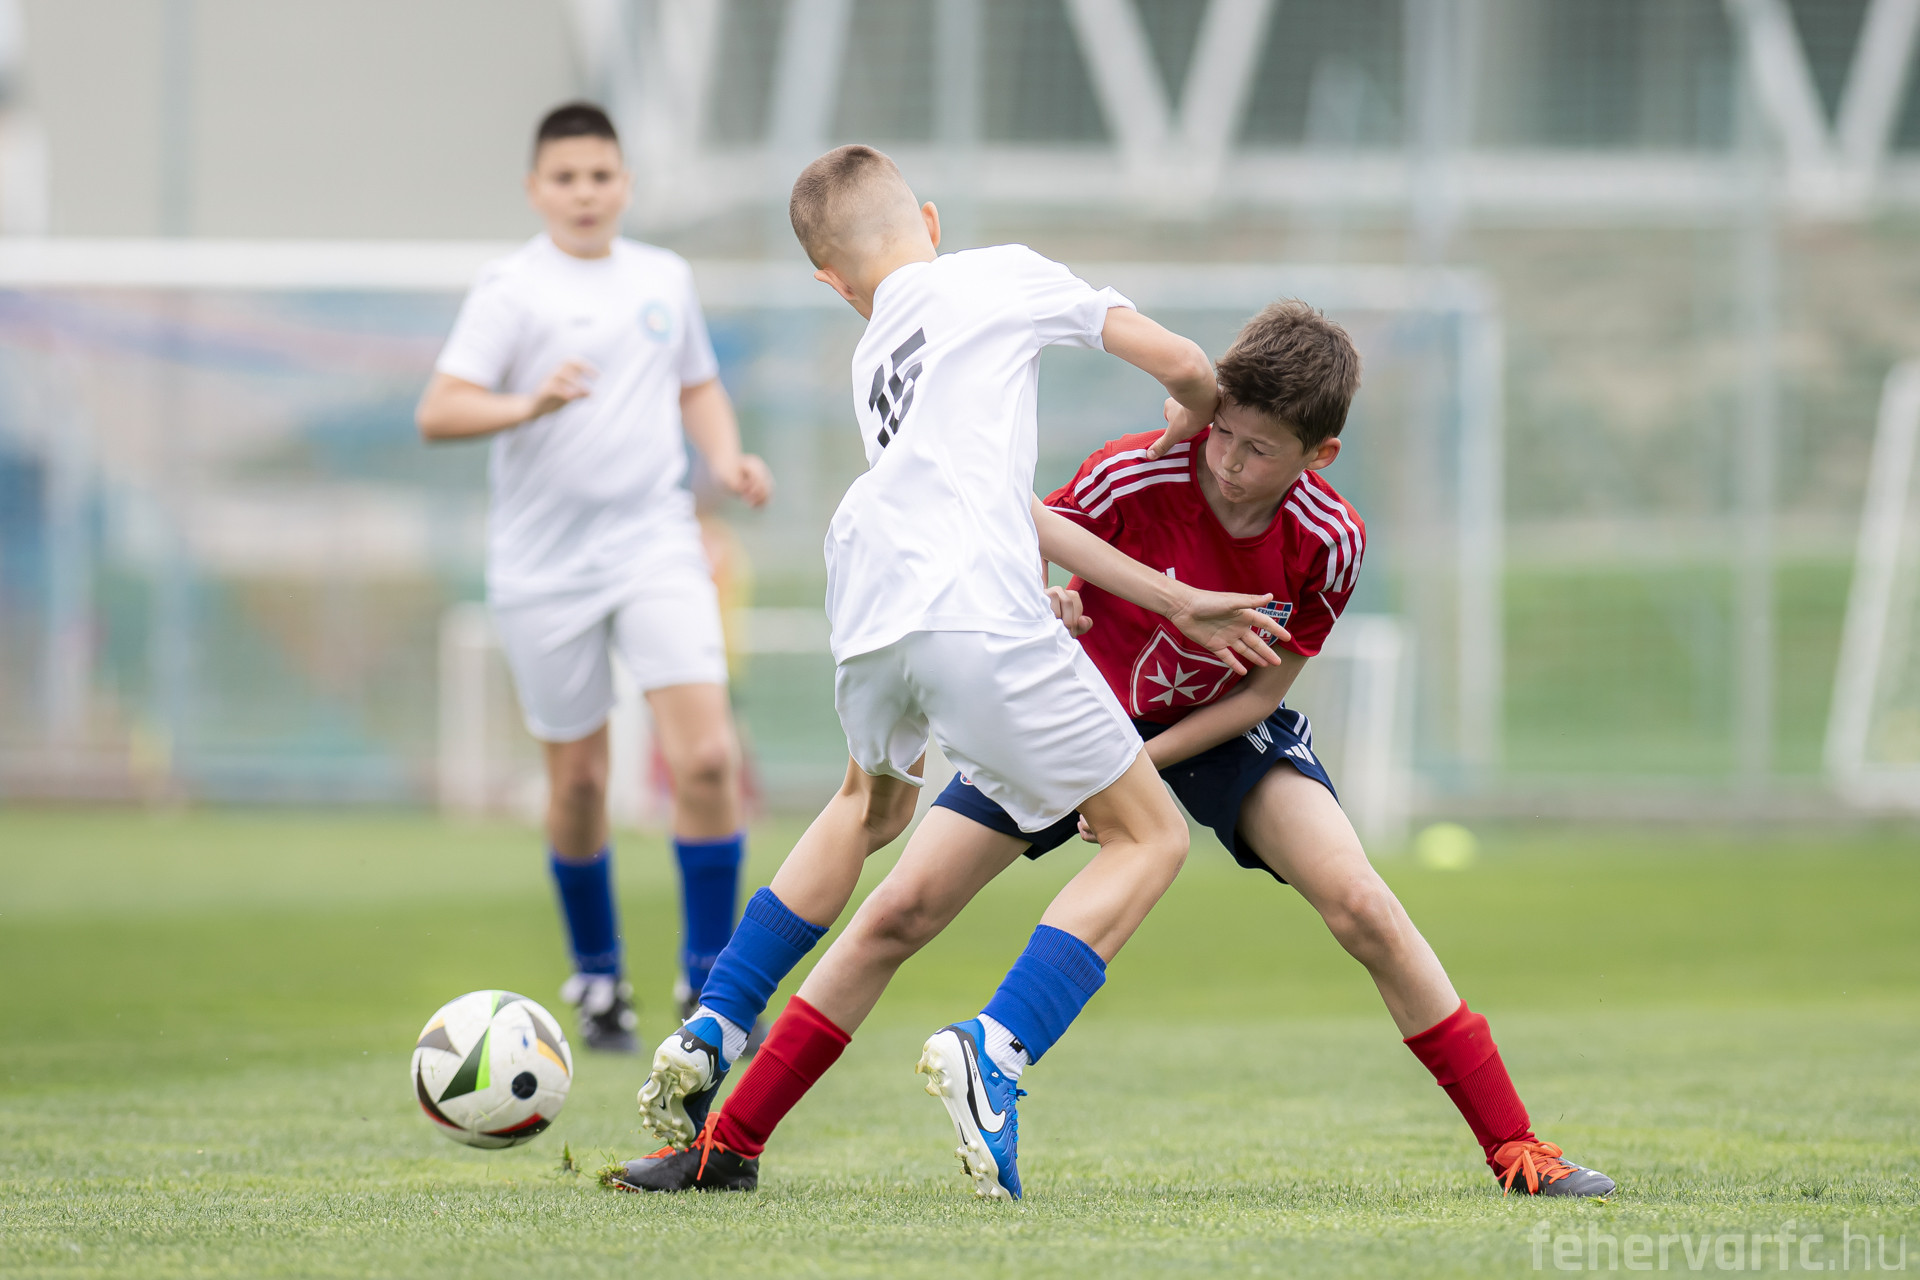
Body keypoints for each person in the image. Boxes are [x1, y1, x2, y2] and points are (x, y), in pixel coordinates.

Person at [612, 301, 1618, 1201]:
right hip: (1066, 711)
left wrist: (1140, 771)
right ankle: (730, 1145)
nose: (1228, 461)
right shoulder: (1137, 471)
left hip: (1217, 727)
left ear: (1321, 454)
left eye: (1259, 449)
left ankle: (1518, 1147)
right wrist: (1048, 600)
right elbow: (1016, 533)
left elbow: (1264, 689)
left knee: (1364, 905)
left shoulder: (1330, 539)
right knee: (898, 911)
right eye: (1223, 430)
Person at [605, 144, 1285, 1192]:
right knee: (1147, 836)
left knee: (866, 810)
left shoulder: (873, 350)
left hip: (871, 594)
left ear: (832, 281)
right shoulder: (998, 272)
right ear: (928, 218)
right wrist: (1189, 413)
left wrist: (1108, 589)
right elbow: (1190, 365)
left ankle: (717, 1019)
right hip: (976, 613)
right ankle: (995, 1048)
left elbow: (973, 491)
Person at [415, 103, 770, 1052]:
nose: (585, 193)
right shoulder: (511, 290)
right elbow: (439, 410)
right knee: (579, 784)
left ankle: (711, 987)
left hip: (655, 542)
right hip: (543, 567)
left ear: (626, 185)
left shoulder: (664, 277)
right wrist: (526, 403)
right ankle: (600, 979)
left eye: (601, 176)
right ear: (536, 190)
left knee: (707, 759)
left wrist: (726, 458)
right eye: (566, 178)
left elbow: (697, 383)